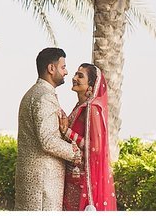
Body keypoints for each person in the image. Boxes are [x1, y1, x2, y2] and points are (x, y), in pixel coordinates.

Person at [15, 47, 82, 210]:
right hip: (43, 183)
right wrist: (76, 153)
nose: (66, 72)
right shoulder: (44, 96)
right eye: (63, 67)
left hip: (35, 180)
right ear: (51, 69)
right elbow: (47, 141)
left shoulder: (33, 93)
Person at [59, 63, 117, 211]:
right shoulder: (80, 106)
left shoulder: (92, 108)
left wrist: (67, 132)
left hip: (83, 181)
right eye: (75, 74)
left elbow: (96, 148)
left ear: (91, 84)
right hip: (72, 176)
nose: (74, 78)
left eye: (80, 76)